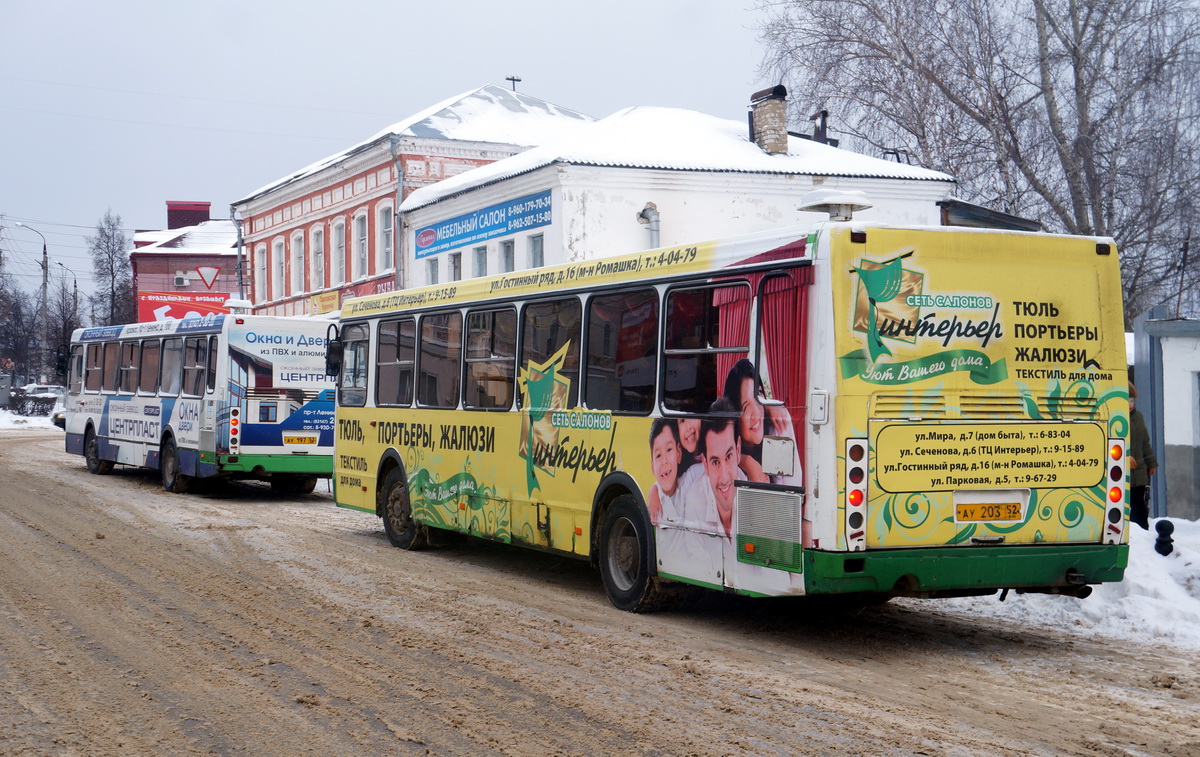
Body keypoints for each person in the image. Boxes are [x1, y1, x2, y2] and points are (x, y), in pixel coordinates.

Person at [722, 358, 801, 485]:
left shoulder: (776, 424)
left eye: (758, 398)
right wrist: (745, 461)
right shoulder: (727, 439)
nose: (756, 414)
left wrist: (768, 404)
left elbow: (791, 487)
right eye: (745, 407)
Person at [681, 397, 743, 538]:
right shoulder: (694, 500)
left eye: (728, 457)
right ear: (705, 464)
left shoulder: (754, 497)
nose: (724, 477)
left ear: (738, 450)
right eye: (715, 462)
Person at [1128, 382, 1158, 530]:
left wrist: (1151, 463)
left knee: (1140, 506)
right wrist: (1123, 458)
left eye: (1132, 400)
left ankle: (1143, 533)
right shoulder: (1116, 417)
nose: (1130, 404)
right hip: (1123, 474)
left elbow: (1145, 442)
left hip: (1139, 472)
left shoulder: (1138, 416)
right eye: (1127, 400)